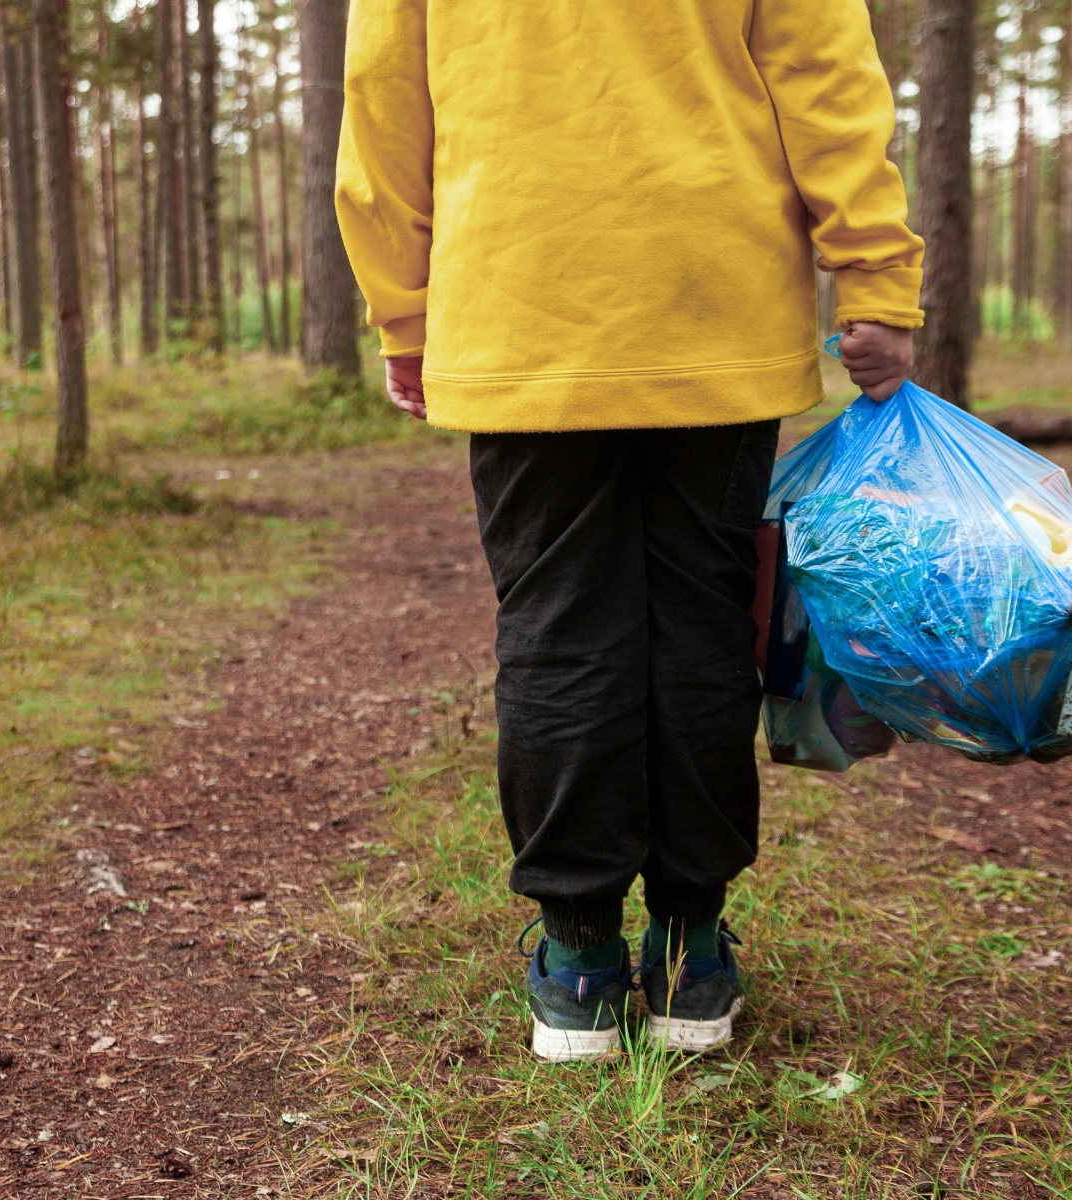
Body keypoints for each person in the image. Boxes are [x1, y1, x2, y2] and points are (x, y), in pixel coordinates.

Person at [336, 0, 924, 1061]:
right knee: (699, 624)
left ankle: (578, 963)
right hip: (715, 300)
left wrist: (405, 310)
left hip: (518, 299)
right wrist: (874, 273)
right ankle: (691, 954)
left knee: (561, 628)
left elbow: (384, 107)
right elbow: (824, 73)